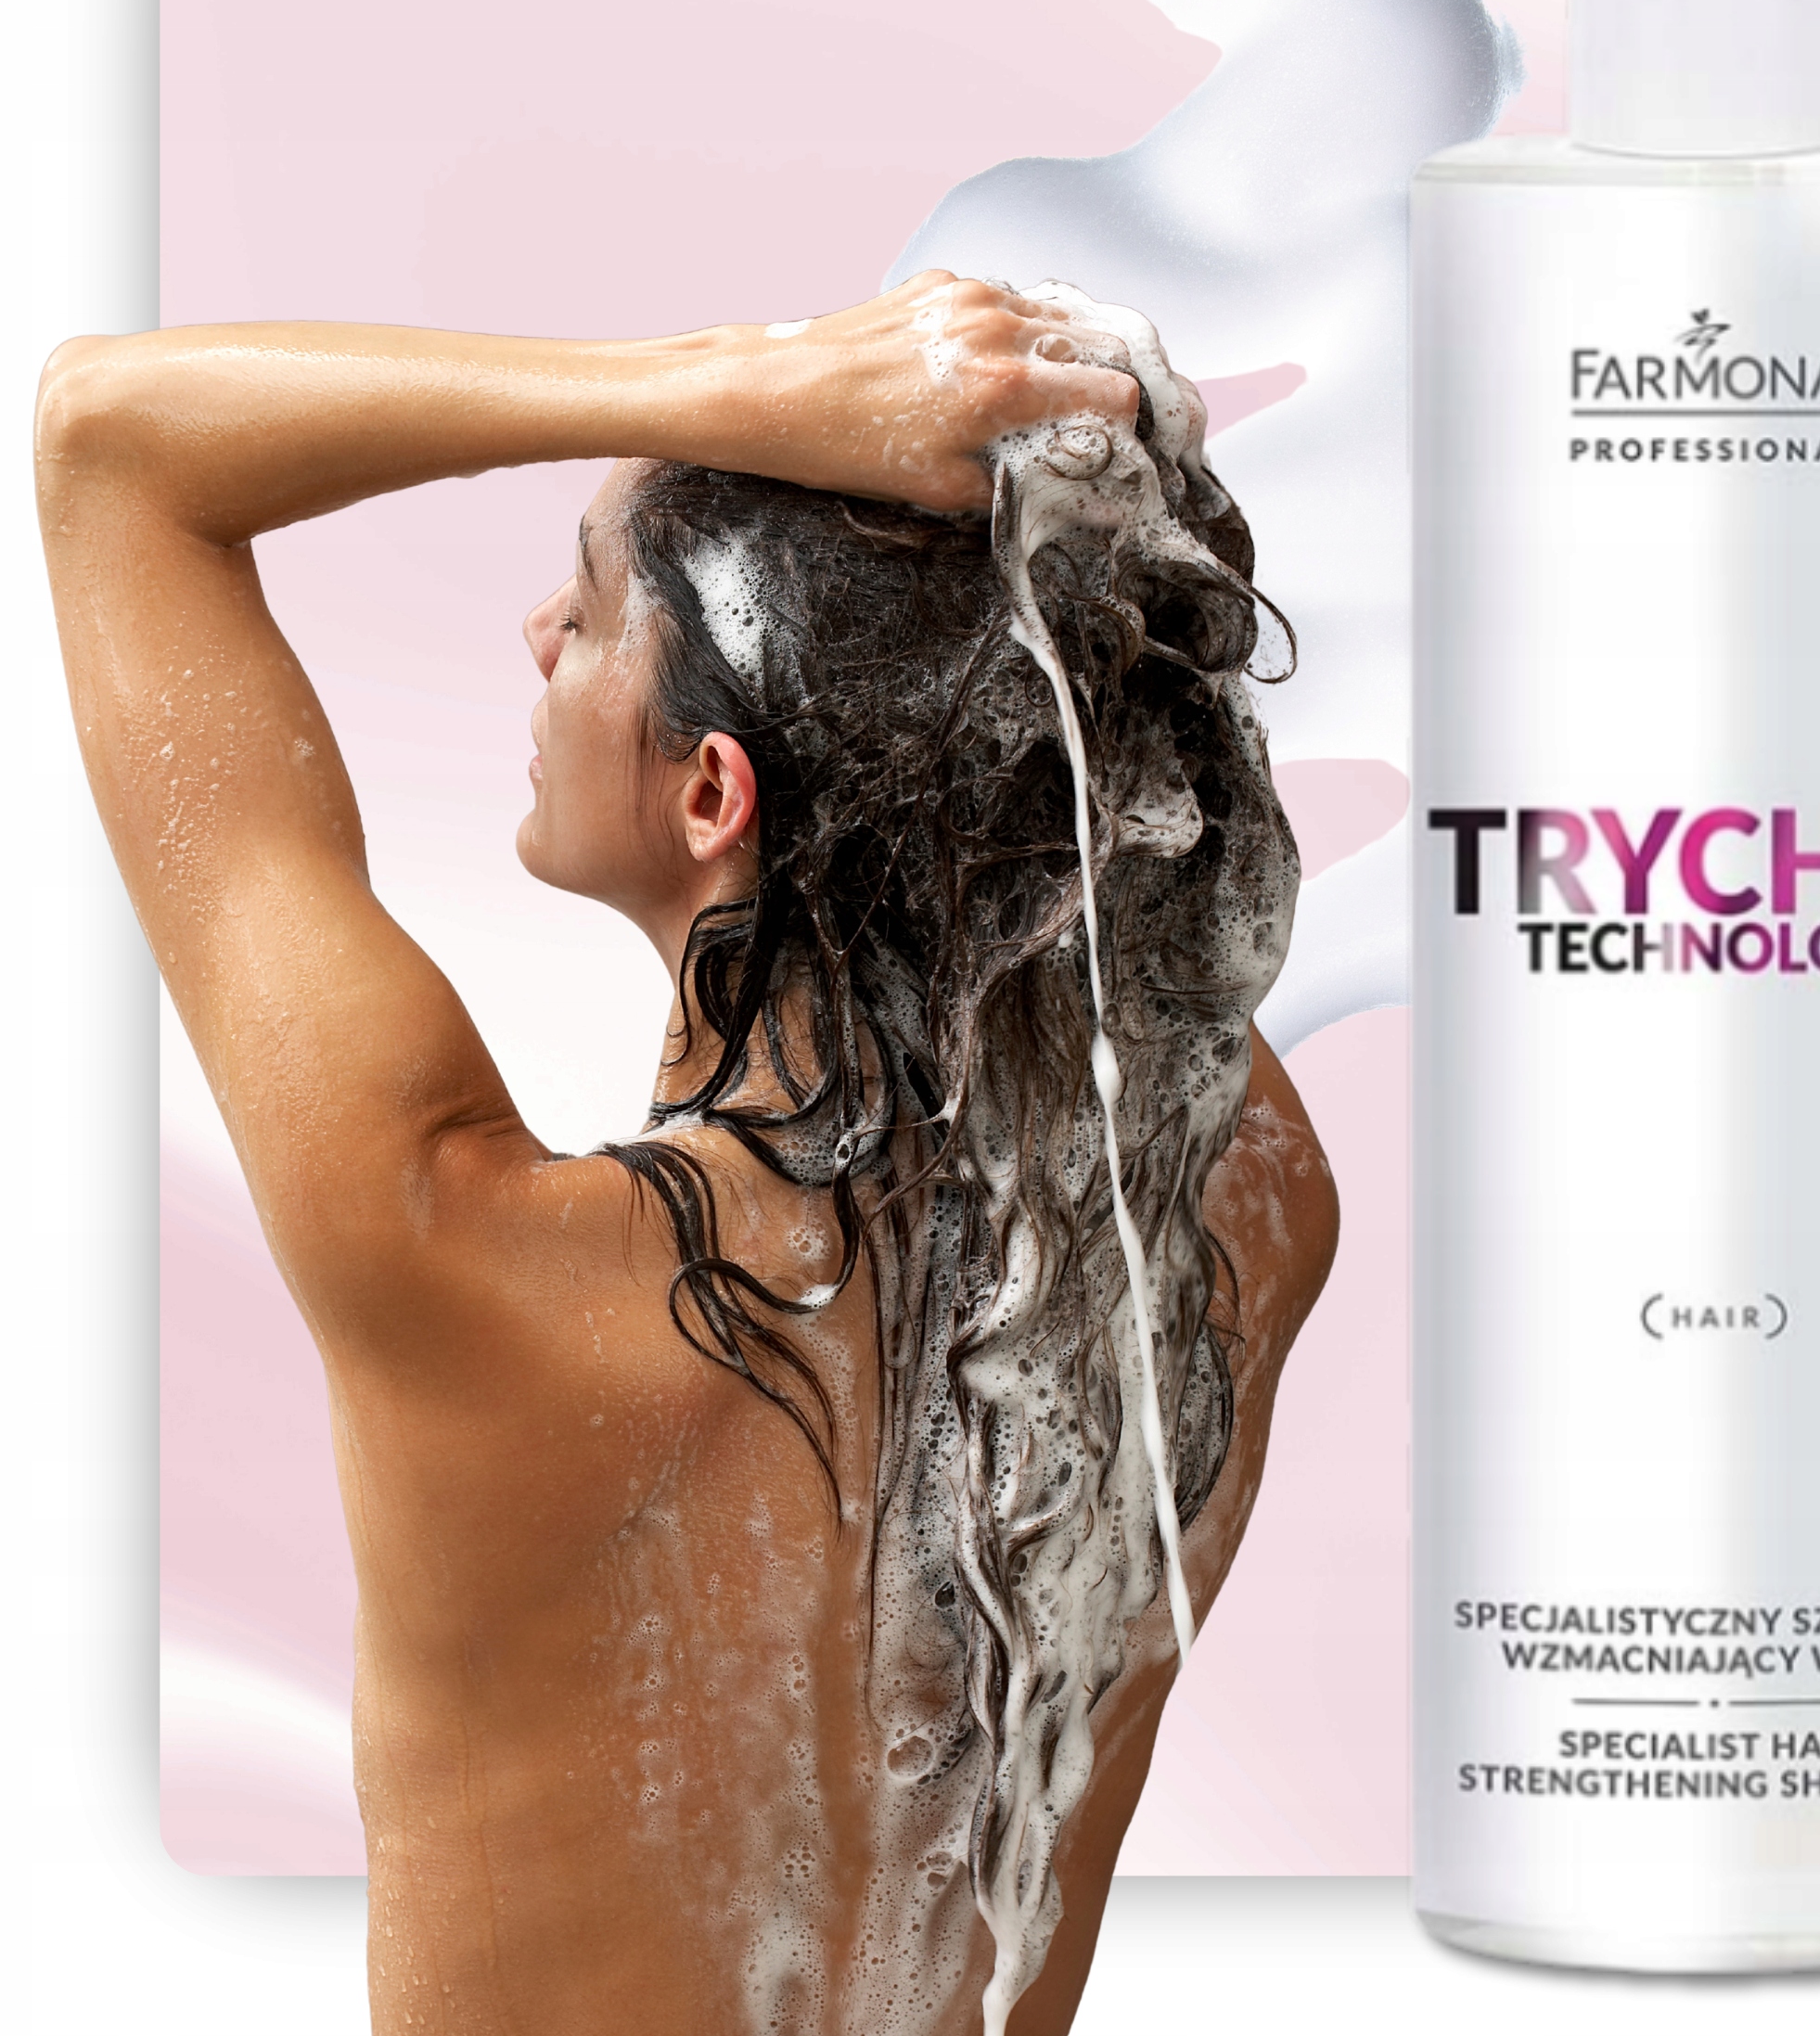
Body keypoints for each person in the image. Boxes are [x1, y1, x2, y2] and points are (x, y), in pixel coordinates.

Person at [35, 274, 1339, 2036]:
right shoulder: (1236, 1219)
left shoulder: (465, 1256)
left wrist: (727, 386)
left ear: (714, 792)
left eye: (586, 610)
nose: (536, 637)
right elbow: (1091, 829)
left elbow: (110, 447)